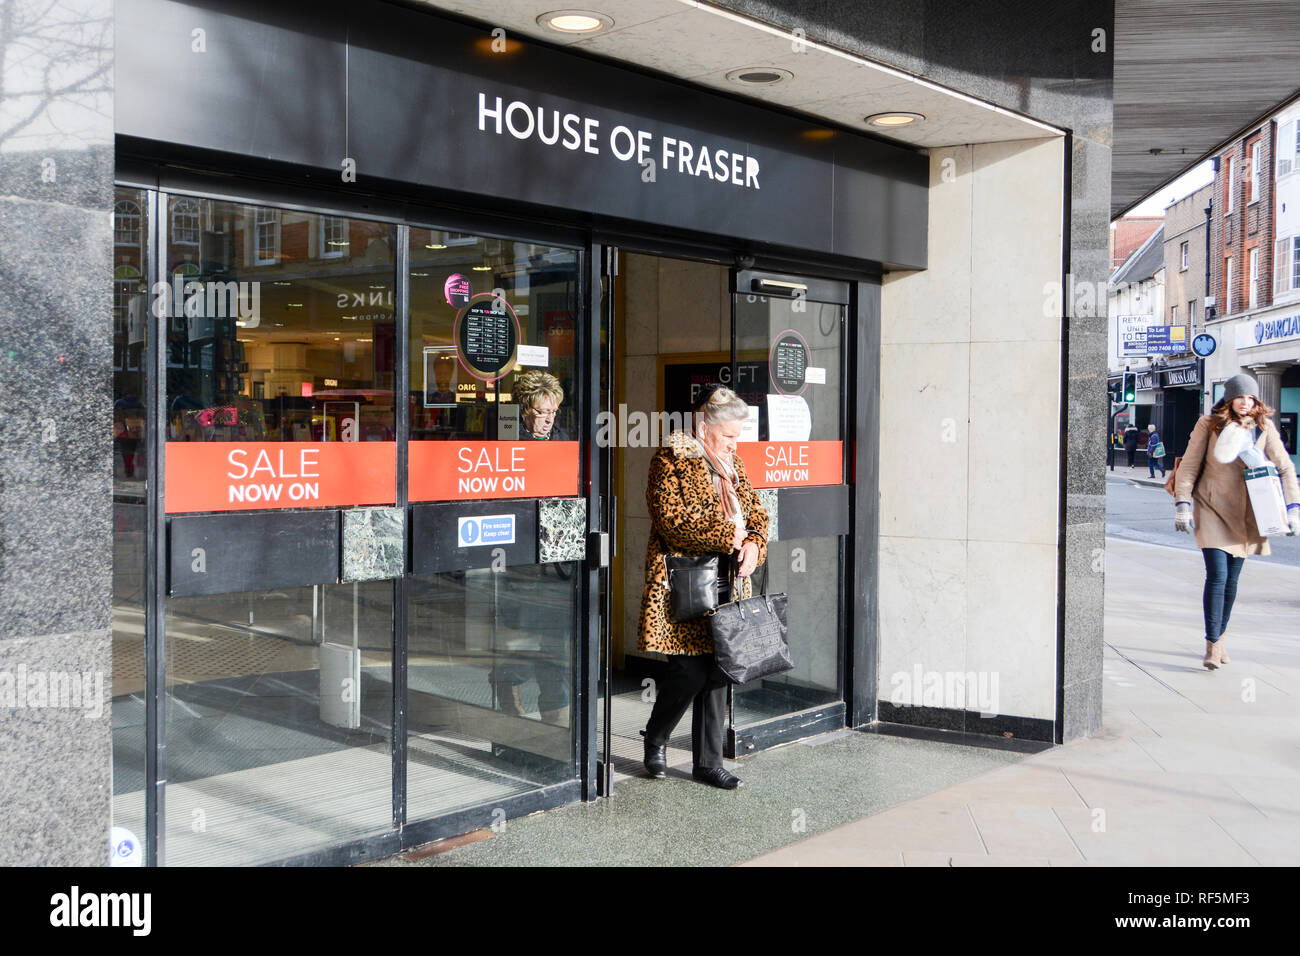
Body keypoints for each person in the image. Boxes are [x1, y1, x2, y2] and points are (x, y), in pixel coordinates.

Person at [638, 384, 768, 790]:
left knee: (719, 670)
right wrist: (725, 535)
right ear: (703, 426)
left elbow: (758, 513)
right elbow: (671, 522)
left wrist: (753, 544)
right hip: (687, 583)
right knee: (689, 672)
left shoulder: (735, 465)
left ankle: (708, 763)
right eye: (729, 435)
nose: (735, 444)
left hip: (730, 582)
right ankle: (657, 736)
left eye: (738, 436)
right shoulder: (670, 459)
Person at [1173, 374, 1300, 669]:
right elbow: (1190, 465)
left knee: (1232, 580)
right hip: (1211, 507)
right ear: (1229, 399)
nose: (1246, 402)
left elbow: (1286, 467)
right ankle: (1212, 644)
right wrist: (1183, 503)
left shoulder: (1262, 428)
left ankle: (1221, 636)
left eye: (1251, 397)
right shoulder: (1209, 424)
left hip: (1247, 514)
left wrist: (1293, 507)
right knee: (1217, 575)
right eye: (1240, 397)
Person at [514, 369, 568, 440]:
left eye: (554, 411)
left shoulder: (562, 438)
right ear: (525, 409)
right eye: (544, 412)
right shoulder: (511, 439)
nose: (550, 420)